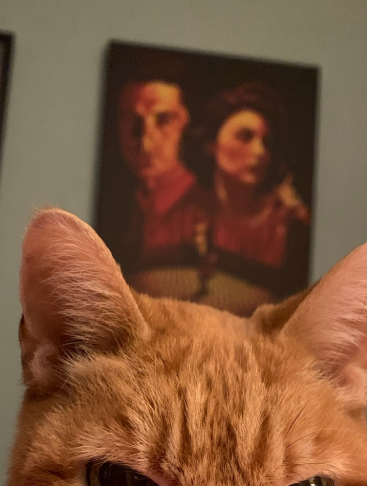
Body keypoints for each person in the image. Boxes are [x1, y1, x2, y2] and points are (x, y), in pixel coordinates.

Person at [195, 82, 311, 315]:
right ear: (212, 144)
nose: (260, 152)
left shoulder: (287, 222)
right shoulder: (193, 211)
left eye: (265, 142)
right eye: (245, 136)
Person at [108, 69, 211, 300]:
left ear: (186, 125)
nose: (144, 140)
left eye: (163, 120)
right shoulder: (118, 206)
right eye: (131, 119)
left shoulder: (205, 210)